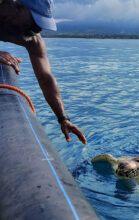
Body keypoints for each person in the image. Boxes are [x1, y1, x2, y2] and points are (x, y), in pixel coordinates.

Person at [0, 0, 86, 144]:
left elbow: (46, 77)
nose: (38, 29)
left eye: (41, 25)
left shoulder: (31, 38)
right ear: (17, 6)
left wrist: (63, 118)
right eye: (35, 21)